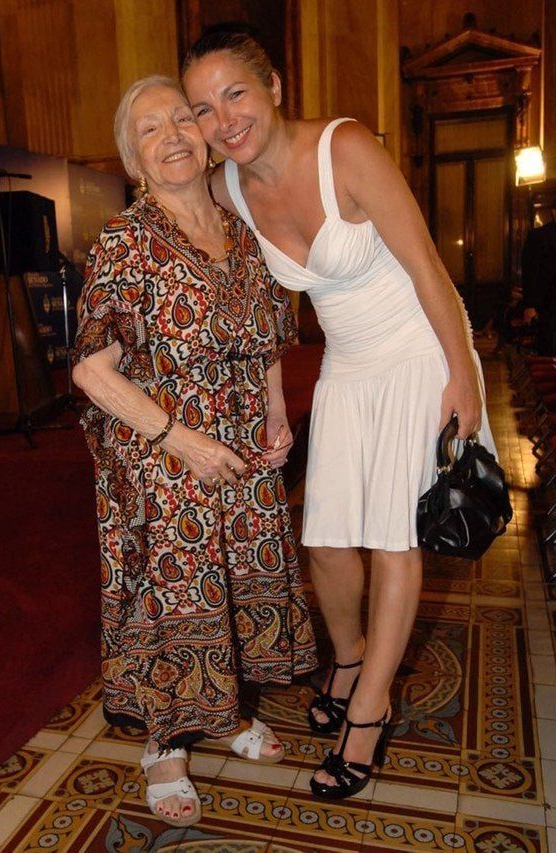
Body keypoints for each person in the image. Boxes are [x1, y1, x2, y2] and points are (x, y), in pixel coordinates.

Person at [182, 31, 497, 801]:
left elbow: (427, 265)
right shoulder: (226, 187)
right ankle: (350, 658)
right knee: (324, 537)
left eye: (235, 93)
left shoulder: (346, 148)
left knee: (392, 538)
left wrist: (462, 375)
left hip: (418, 348)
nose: (224, 119)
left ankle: (368, 708)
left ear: (274, 87)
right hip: (346, 366)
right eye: (203, 108)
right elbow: (181, 215)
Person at [72, 74, 317, 826]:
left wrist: (276, 415)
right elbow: (91, 370)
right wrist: (182, 441)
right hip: (164, 458)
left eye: (182, 118)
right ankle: (165, 743)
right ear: (134, 159)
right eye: (150, 129)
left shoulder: (241, 231)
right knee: (176, 597)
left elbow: (268, 337)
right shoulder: (124, 241)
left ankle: (226, 710)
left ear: (206, 138)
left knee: (237, 586)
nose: (173, 135)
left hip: (242, 450)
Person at [521, 211, 556, 354]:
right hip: (547, 306)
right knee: (549, 349)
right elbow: (530, 272)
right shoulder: (538, 236)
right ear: (554, 212)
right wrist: (530, 305)